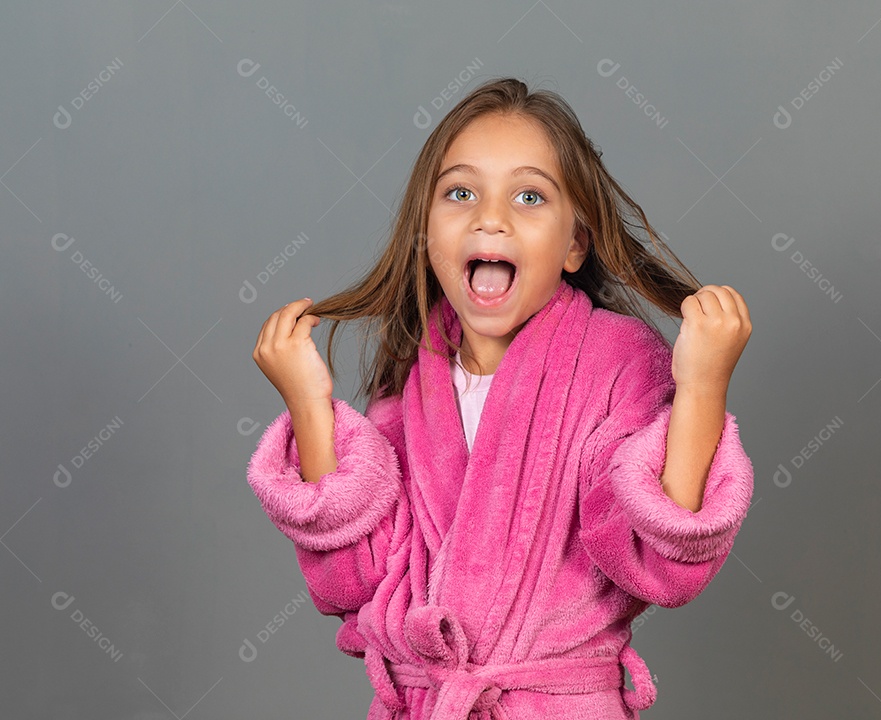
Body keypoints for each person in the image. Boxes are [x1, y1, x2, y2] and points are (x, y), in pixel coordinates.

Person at [247, 76, 754, 719]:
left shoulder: (615, 363)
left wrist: (704, 387)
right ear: (426, 232)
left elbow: (662, 563)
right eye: (461, 192)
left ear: (575, 243)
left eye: (529, 196)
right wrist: (309, 407)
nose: (491, 217)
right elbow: (353, 581)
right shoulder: (411, 378)